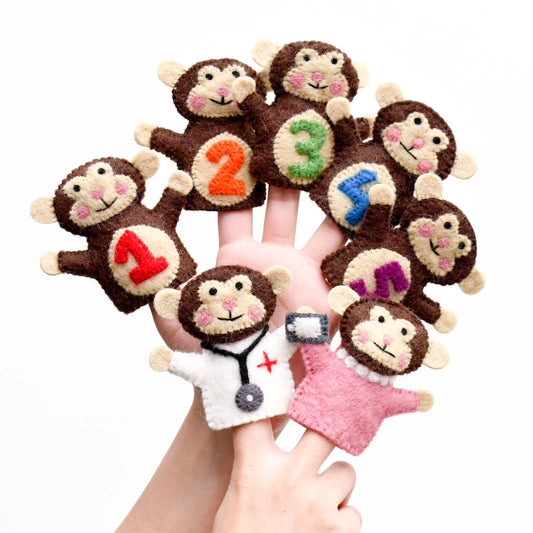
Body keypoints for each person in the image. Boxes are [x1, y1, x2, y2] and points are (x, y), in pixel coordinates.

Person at [115, 187, 362, 532]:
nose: (229, 304)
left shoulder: (267, 342)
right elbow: (200, 369)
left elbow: (285, 337)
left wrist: (310, 326)